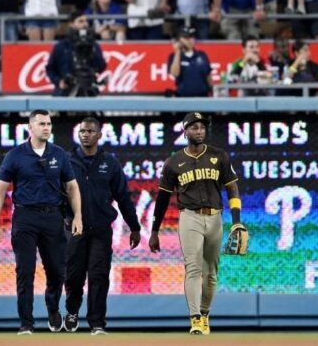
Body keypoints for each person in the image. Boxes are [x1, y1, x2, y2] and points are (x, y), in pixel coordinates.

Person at [0, 109, 83, 336]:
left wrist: (78, 216)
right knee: (25, 271)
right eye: (41, 124)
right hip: (24, 217)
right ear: (30, 128)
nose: (46, 128)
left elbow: (72, 187)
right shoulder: (15, 155)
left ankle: (52, 309)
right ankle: (26, 324)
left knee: (57, 271)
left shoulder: (59, 154)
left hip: (52, 217)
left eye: (49, 124)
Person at [149, 112, 243, 335]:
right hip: (189, 216)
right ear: (185, 131)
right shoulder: (173, 163)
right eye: (194, 127)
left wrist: (236, 221)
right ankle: (195, 319)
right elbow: (162, 199)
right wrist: (154, 231)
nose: (199, 131)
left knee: (210, 272)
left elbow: (232, 188)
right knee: (193, 268)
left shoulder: (219, 156)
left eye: (202, 127)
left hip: (215, 217)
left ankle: (205, 313)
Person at [63, 116, 141, 335]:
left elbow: (123, 197)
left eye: (90, 131)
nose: (85, 135)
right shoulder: (66, 161)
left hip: (100, 230)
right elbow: (56, 194)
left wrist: (134, 227)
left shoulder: (110, 162)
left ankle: (97, 323)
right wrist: (62, 219)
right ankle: (72, 312)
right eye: (82, 131)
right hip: (74, 229)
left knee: (98, 276)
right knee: (74, 277)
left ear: (99, 135)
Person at [46, 10, 106, 97]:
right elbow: (50, 69)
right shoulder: (61, 46)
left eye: (86, 21)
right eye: (81, 21)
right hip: (66, 91)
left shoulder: (94, 45)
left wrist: (91, 49)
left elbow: (101, 66)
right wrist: (59, 82)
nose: (85, 24)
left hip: (89, 88)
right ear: (71, 24)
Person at [167, 26, 212, 97]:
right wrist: (178, 52)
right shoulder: (173, 56)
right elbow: (175, 73)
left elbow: (208, 76)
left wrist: (211, 91)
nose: (190, 40)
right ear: (179, 40)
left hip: (203, 97)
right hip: (183, 98)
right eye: (186, 38)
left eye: (192, 37)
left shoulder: (202, 55)